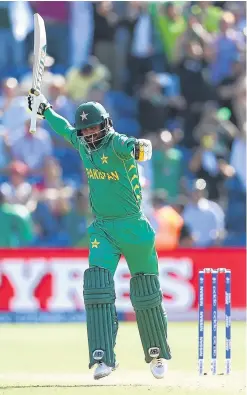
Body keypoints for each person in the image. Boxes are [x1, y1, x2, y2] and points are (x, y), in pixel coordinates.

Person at [27, 90, 171, 380]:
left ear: (105, 124)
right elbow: (65, 129)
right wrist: (45, 110)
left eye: (94, 127)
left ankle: (156, 353)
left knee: (145, 292)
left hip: (133, 227)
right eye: (86, 130)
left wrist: (141, 147)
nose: (90, 134)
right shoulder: (82, 145)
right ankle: (103, 356)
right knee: (96, 287)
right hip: (103, 228)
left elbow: (137, 147)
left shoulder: (117, 143)